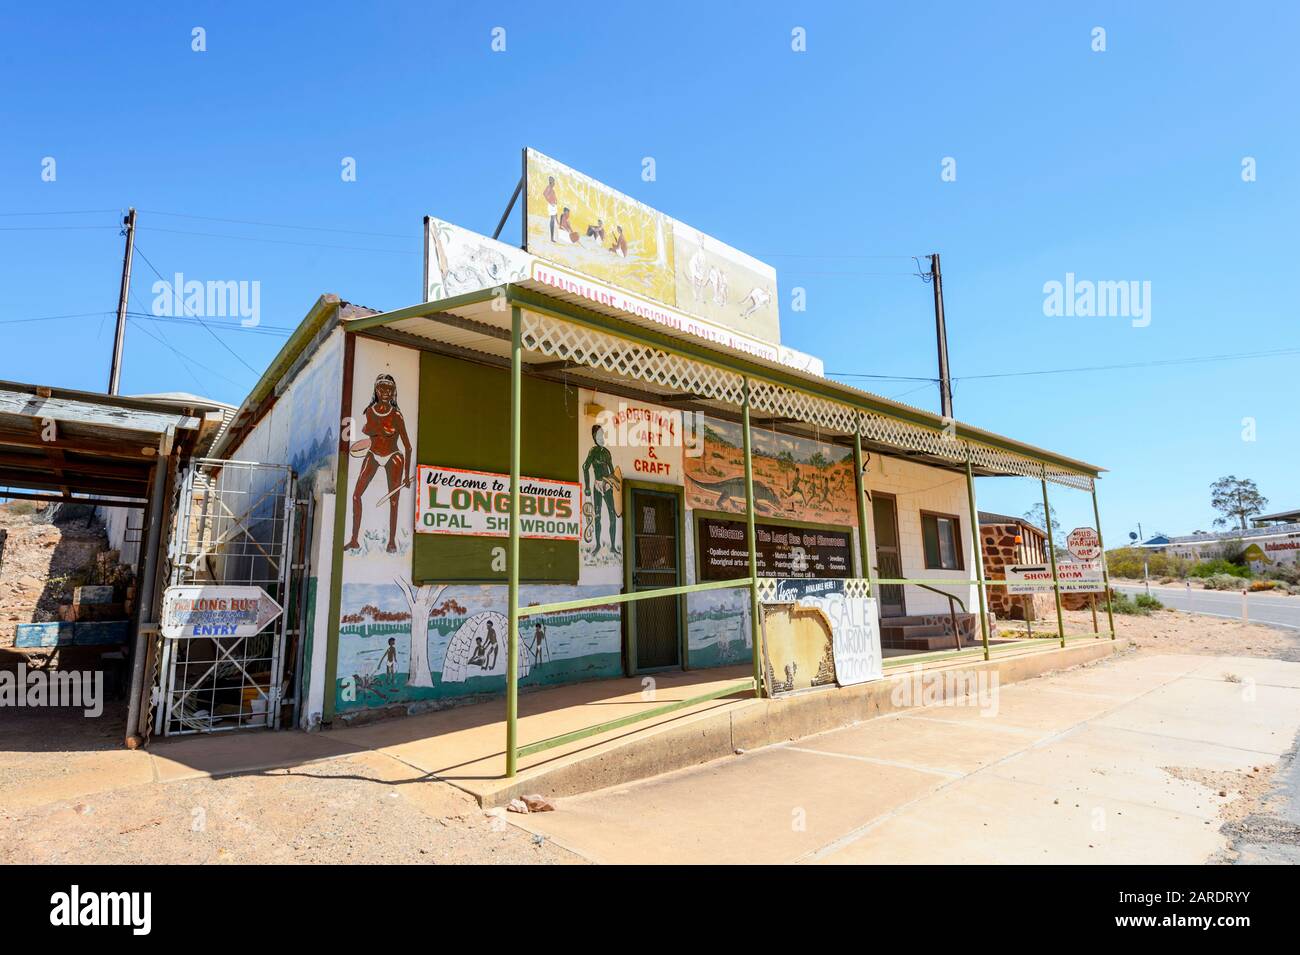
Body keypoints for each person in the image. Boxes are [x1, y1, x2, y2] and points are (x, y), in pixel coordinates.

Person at [344, 373, 412, 553]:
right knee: (356, 495)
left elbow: (408, 447)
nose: (386, 392)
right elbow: (371, 437)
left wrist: (406, 476)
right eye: (382, 388)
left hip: (393, 456)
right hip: (373, 454)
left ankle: (391, 542)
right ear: (376, 389)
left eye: (389, 389)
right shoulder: (369, 412)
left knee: (394, 500)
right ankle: (354, 540)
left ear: (393, 392)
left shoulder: (397, 415)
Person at [582, 425, 620, 555]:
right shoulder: (593, 452)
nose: (601, 438)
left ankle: (613, 546)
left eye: (602, 435)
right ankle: (598, 545)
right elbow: (585, 467)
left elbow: (612, 471)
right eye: (599, 435)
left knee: (612, 516)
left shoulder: (607, 452)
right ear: (594, 437)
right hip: (597, 486)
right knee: (597, 516)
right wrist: (587, 487)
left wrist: (613, 482)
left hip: (607, 486)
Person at [543, 176, 558, 242]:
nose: (554, 183)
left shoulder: (551, 189)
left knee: (555, 220)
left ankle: (553, 237)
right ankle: (551, 238)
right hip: (551, 205)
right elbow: (544, 194)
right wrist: (550, 202)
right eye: (553, 181)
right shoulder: (549, 187)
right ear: (551, 181)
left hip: (554, 205)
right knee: (552, 220)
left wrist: (555, 201)